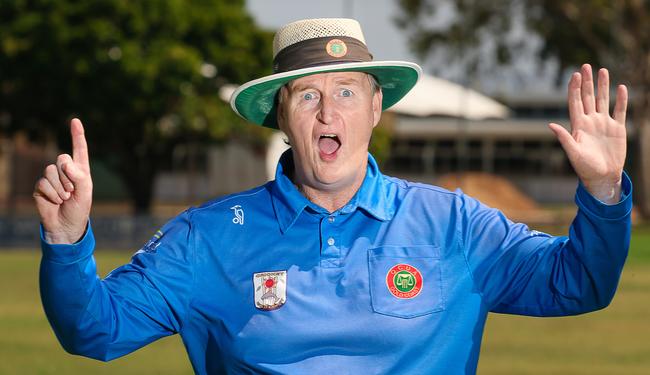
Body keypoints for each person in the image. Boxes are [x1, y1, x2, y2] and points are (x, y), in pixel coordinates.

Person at [35, 18, 631, 374]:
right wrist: (65, 241)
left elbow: (578, 282)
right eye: (307, 95)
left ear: (376, 108)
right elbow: (94, 330)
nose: (328, 112)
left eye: (347, 92)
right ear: (280, 116)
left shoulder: (455, 225)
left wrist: (604, 194)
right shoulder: (207, 237)